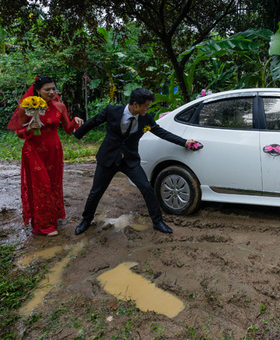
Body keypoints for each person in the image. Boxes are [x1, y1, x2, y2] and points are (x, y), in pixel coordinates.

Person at [73, 88, 197, 235]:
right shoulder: (112, 111)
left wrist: (184, 142)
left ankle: (158, 222)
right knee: (96, 192)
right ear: (136, 104)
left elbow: (162, 133)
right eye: (146, 105)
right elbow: (94, 121)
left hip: (130, 160)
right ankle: (86, 221)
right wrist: (78, 134)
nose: (148, 108)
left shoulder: (146, 118)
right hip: (108, 159)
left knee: (147, 188)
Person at [8, 76, 84, 236]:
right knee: (41, 187)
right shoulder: (26, 107)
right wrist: (29, 129)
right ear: (37, 91)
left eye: (53, 89)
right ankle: (43, 225)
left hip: (54, 151)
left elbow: (68, 129)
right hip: (34, 151)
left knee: (54, 185)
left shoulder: (60, 106)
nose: (51, 92)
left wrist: (75, 121)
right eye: (47, 89)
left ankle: (52, 217)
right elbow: (19, 133)